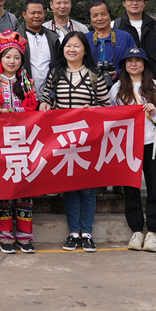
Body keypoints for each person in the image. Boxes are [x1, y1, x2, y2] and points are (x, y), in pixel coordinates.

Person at [39, 32, 110, 253]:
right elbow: (46, 97)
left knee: (88, 188)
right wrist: (44, 104)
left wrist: (93, 109)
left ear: (85, 50)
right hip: (63, 138)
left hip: (88, 138)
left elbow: (106, 106)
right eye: (68, 45)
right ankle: (74, 233)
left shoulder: (95, 75)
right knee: (69, 187)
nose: (72, 49)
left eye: (77, 46)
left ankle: (86, 233)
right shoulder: (56, 73)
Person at [110, 47, 156, 253]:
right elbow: (110, 116)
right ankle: (136, 230)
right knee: (131, 190)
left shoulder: (155, 87)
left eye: (138, 60)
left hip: (153, 144)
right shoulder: (117, 88)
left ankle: (153, 233)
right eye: (129, 61)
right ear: (124, 65)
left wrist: (155, 112)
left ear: (145, 64)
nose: (134, 64)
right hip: (128, 146)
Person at [0, 31, 39, 254]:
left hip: (23, 144)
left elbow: (34, 112)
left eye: (17, 57)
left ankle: (25, 235)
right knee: (3, 191)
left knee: (25, 190)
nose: (12, 61)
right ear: (0, 59)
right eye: (8, 57)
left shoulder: (28, 85)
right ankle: (5, 235)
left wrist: (10, 112)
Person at [87, 0, 134, 91]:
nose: (100, 18)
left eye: (103, 14)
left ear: (109, 15)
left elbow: (134, 61)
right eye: (95, 16)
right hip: (90, 88)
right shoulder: (85, 39)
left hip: (121, 87)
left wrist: (119, 73)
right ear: (90, 18)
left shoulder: (124, 37)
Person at [17, 0, 60, 95]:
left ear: (44, 14)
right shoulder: (16, 38)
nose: (36, 16)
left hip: (50, 92)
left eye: (40, 13)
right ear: (24, 14)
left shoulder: (54, 38)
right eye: (32, 13)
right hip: (23, 91)